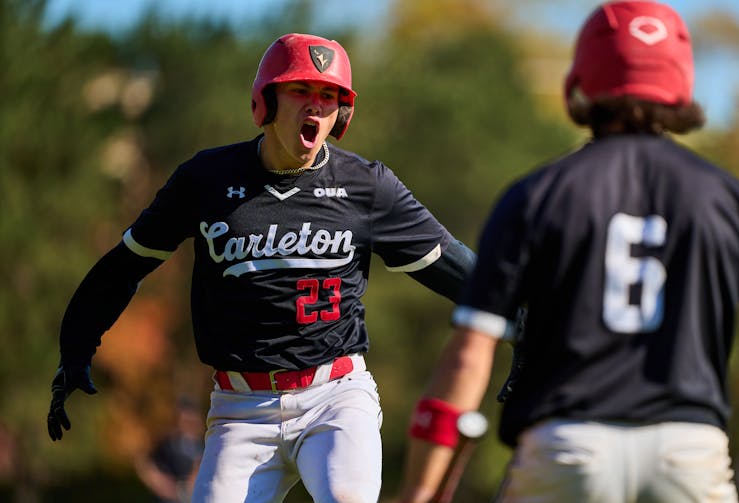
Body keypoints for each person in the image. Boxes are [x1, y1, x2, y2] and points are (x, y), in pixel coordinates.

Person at [46, 33, 476, 503]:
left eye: (329, 96)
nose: (316, 106)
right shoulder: (205, 179)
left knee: (347, 497)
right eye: (301, 91)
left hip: (335, 397)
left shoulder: (367, 186)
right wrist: (77, 344)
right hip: (240, 407)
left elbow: (452, 264)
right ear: (265, 102)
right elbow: (126, 265)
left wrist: (524, 320)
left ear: (343, 114)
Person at [398, 1, 739, 502]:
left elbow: (469, 357)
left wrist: (421, 490)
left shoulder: (538, 195)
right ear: (681, 80)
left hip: (567, 448)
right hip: (687, 451)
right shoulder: (727, 198)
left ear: (583, 78)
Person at [135, 398, 205, 503]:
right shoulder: (169, 443)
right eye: (186, 420)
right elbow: (145, 463)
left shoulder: (201, 445)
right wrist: (162, 484)